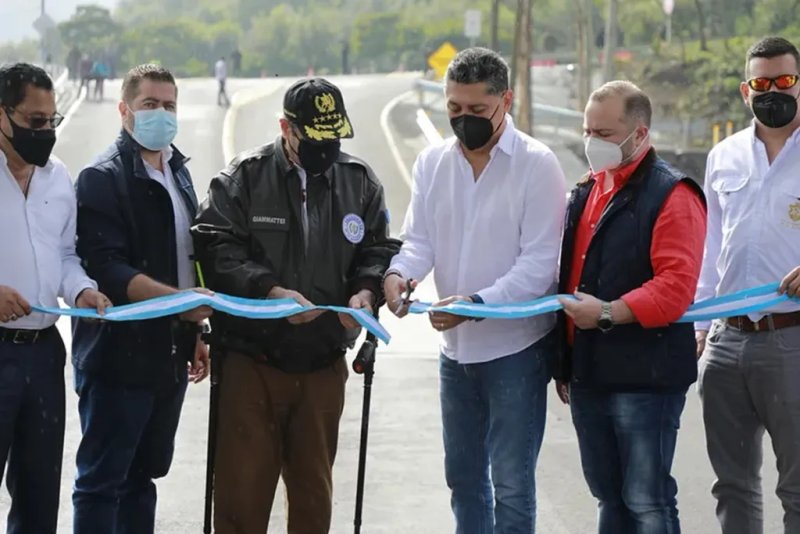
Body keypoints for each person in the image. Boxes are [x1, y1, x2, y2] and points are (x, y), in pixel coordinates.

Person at [192, 77, 400, 533]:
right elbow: (215, 247)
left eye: (334, 138)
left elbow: (379, 249)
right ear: (287, 128)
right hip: (252, 361)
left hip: (324, 361)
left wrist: (365, 292)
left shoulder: (359, 182)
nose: (326, 149)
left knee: (312, 500)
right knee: (240, 501)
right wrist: (269, 292)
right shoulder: (243, 178)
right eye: (314, 138)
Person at [383, 47, 567, 532]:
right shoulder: (432, 162)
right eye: (454, 110)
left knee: (511, 484)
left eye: (477, 111)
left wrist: (478, 305)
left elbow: (539, 266)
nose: (464, 121)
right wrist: (400, 273)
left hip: (515, 351)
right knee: (463, 479)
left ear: (507, 100)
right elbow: (418, 239)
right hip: (455, 353)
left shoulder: (537, 165)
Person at [555, 80, 707, 533]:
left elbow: (675, 287)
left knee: (647, 500)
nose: (591, 143)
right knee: (609, 497)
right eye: (587, 131)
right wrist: (565, 361)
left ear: (639, 135)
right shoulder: (587, 190)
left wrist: (606, 312)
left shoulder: (673, 194)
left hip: (646, 376)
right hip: (590, 372)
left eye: (604, 134)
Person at [71, 63, 212, 534]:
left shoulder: (179, 173)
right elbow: (108, 269)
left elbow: (188, 258)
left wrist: (196, 329)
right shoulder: (101, 177)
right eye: (149, 105)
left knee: (143, 477)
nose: (161, 114)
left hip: (167, 357)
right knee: (101, 482)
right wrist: (180, 304)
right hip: (116, 360)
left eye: (169, 105)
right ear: (125, 111)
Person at [696, 36, 800, 534]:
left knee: (797, 488)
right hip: (725, 340)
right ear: (745, 90)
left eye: (785, 81)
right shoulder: (723, 156)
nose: (773, 91)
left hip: (792, 341)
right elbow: (710, 247)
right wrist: (699, 323)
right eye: (762, 83)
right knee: (732, 486)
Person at [0, 62, 109, 533]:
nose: (45, 132)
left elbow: (65, 255)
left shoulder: (58, 177)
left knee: (39, 495)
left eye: (51, 122)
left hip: (44, 355)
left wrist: (82, 289)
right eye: (33, 122)